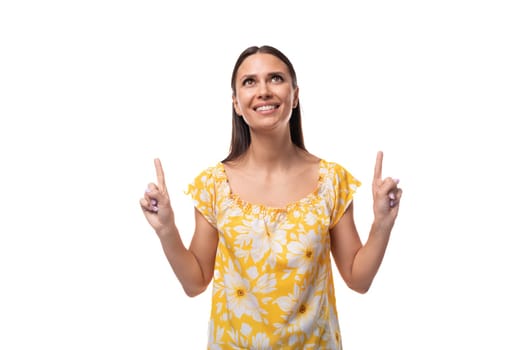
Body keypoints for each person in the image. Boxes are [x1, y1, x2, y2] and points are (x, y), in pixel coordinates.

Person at [140, 45, 402, 349]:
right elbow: (195, 282)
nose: (263, 90)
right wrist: (166, 230)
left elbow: (359, 280)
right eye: (249, 82)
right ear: (236, 103)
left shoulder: (332, 181)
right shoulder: (213, 184)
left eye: (275, 79)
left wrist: (382, 223)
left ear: (295, 94)